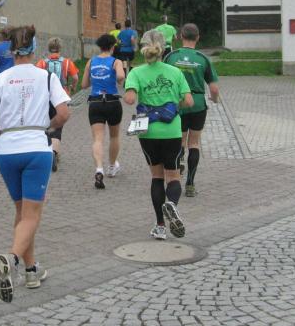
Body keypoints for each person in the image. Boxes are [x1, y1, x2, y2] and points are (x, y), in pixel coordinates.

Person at [0, 25, 70, 303]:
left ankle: (31, 271)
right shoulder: (46, 77)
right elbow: (64, 113)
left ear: (11, 51)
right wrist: (47, 125)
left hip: (6, 150)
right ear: (33, 49)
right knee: (32, 215)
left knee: (22, 212)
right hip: (35, 148)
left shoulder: (0, 79)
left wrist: (5, 129)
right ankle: (12, 259)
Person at [124, 29, 192, 241]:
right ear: (164, 49)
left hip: (148, 131)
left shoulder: (136, 72)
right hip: (172, 130)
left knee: (156, 176)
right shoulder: (175, 72)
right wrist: (173, 106)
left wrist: (136, 94)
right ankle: (171, 204)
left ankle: (160, 226)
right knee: (173, 175)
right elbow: (189, 101)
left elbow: (129, 99)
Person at [164, 23, 220, 197]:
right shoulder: (203, 58)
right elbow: (214, 89)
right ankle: (190, 184)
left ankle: (176, 173)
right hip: (197, 104)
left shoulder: (171, 57)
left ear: (181, 36)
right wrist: (214, 99)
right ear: (198, 38)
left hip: (178, 103)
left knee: (179, 141)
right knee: (194, 143)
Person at [81, 33, 125, 189]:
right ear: (112, 47)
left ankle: (99, 168)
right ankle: (112, 167)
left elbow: (84, 85)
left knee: (98, 139)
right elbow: (121, 76)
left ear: (100, 46)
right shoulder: (116, 61)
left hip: (95, 103)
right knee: (114, 136)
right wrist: (118, 77)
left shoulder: (91, 61)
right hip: (112, 102)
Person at [35, 37, 79, 172]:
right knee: (57, 127)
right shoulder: (67, 62)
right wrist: (72, 86)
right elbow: (75, 77)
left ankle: (45, 152)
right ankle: (54, 153)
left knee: (45, 124)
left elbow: (35, 78)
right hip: (61, 99)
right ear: (60, 48)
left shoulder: (42, 63)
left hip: (45, 98)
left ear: (48, 48)